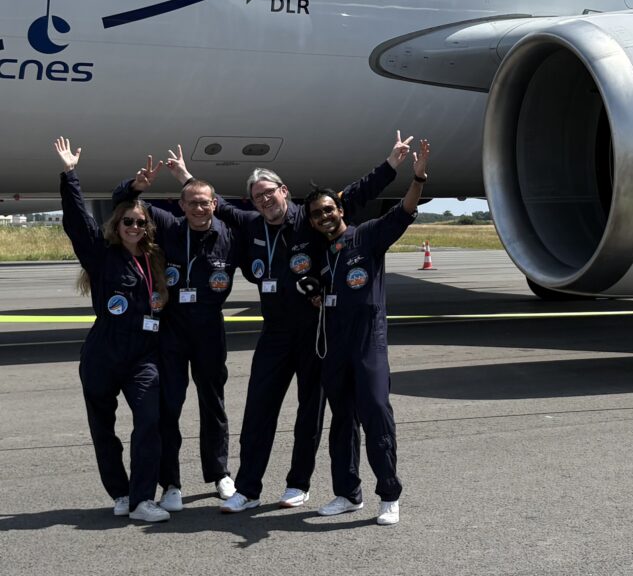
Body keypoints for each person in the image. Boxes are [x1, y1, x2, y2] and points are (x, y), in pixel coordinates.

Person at [165, 133, 413, 512]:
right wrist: (184, 175)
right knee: (258, 408)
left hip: (315, 333)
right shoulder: (249, 222)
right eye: (258, 197)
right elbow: (211, 203)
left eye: (270, 193)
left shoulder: (309, 219)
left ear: (284, 191)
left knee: (308, 413)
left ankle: (298, 484)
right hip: (275, 332)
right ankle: (247, 488)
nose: (266, 201)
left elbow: (353, 196)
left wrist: (392, 164)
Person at [305, 138, 430, 526]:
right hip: (335, 347)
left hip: (367, 344)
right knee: (342, 421)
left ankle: (388, 493)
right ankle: (346, 492)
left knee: (376, 414)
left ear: (340, 210)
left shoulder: (369, 235)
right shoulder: (320, 253)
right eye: (317, 214)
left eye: (329, 209)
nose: (325, 216)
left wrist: (418, 177)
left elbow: (404, 211)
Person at [112, 156, 242, 510]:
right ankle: (171, 482)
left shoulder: (229, 235)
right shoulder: (169, 227)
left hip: (210, 331)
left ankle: (220, 473)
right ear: (180, 206)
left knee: (213, 404)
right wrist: (136, 184)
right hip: (171, 331)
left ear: (214, 204)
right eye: (192, 202)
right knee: (170, 406)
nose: (199, 208)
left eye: (205, 202)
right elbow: (122, 204)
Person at [53, 136, 170, 523]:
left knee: (149, 422)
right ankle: (120, 493)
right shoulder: (101, 257)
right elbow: (77, 223)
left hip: (143, 356)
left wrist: (137, 188)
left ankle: (142, 501)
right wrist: (70, 175)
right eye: (127, 221)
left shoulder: (154, 258)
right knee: (103, 429)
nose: (134, 226)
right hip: (103, 354)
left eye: (140, 222)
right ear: (117, 225)